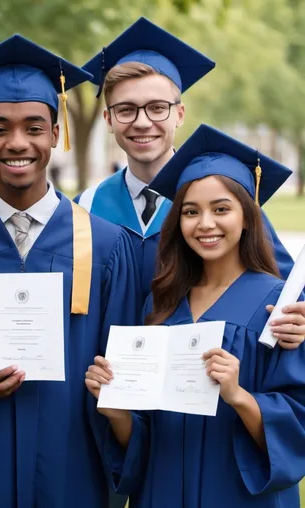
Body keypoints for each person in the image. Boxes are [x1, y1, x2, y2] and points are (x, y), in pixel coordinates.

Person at [0, 35, 141, 508]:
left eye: (34, 127)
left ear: (55, 133)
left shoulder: (108, 244)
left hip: (72, 462)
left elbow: (128, 373)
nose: (17, 143)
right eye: (0, 128)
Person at [85, 124, 305, 508]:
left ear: (248, 217)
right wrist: (117, 411)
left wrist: (239, 396)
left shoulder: (280, 309)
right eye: (190, 212)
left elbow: (296, 424)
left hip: (238, 496)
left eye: (221, 209)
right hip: (161, 491)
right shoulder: (162, 304)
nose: (205, 224)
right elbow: (144, 431)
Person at [75, 17, 296, 302]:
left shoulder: (224, 199)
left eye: (157, 108)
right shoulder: (85, 208)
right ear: (108, 119)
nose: (142, 123)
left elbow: (287, 293)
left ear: (179, 114)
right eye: (126, 109)